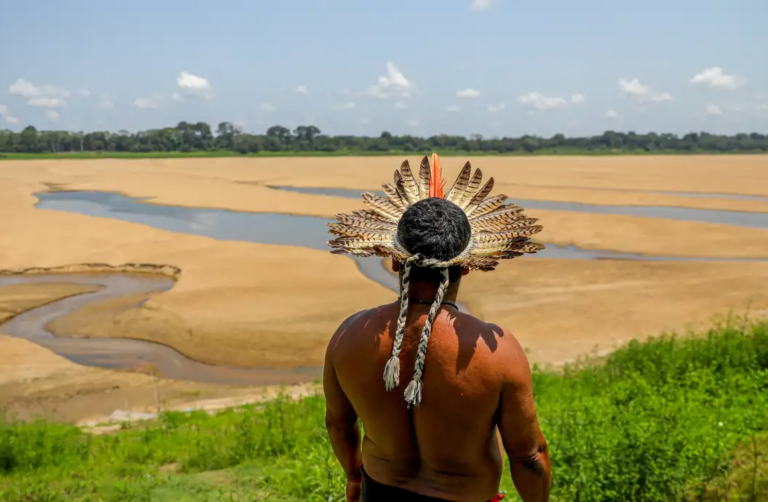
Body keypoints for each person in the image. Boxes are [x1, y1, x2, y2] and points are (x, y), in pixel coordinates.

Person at [323, 154, 551, 502]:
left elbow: (339, 425)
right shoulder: (497, 352)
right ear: (469, 265)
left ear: (396, 262)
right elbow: (529, 455)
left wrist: (354, 476)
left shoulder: (350, 335)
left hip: (379, 491)